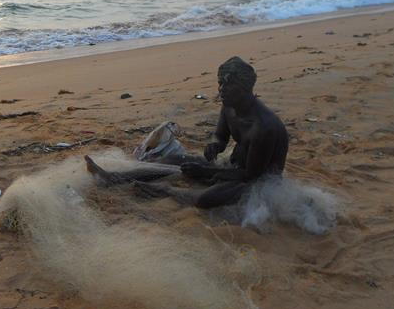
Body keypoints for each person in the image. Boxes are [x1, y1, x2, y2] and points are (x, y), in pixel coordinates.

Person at [85, 56, 288, 209]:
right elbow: (221, 138)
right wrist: (214, 146)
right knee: (172, 159)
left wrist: (206, 171)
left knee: (204, 199)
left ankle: (166, 190)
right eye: (220, 83)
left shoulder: (264, 128)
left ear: (244, 88)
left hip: (258, 182)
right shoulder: (229, 107)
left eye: (228, 84)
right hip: (234, 167)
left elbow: (249, 175)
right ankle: (114, 178)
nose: (221, 89)